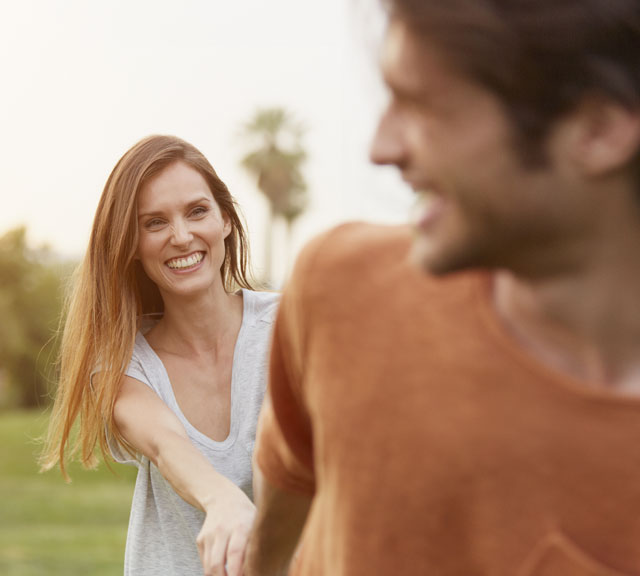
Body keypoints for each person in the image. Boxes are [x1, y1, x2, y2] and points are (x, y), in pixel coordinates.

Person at [244, 0, 640, 574]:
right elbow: (288, 477)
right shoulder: (341, 287)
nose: (382, 149)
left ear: (599, 129)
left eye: (419, 104)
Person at [40, 134, 279, 576]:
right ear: (131, 243)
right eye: (154, 223)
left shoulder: (290, 327)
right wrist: (223, 500)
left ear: (225, 219)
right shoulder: (122, 364)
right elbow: (166, 444)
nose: (182, 236)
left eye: (197, 211)